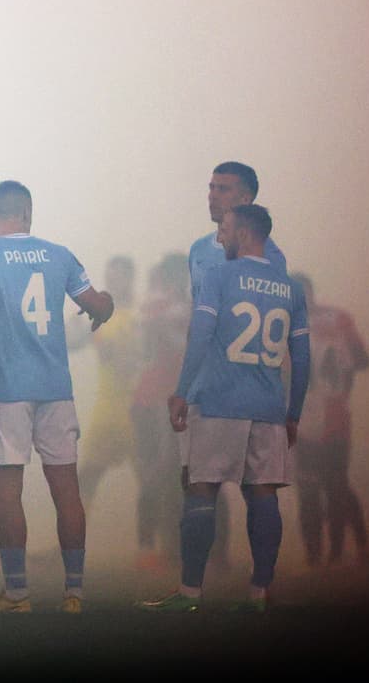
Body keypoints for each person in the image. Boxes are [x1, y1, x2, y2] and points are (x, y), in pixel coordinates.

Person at [136, 205, 309, 613]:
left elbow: (200, 337)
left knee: (201, 491)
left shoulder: (219, 275)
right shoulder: (290, 288)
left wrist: (181, 392)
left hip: (217, 399)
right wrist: (294, 411)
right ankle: (260, 592)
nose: (222, 238)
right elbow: (301, 357)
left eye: (227, 231)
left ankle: (190, 593)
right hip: (268, 406)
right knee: (263, 493)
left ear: (245, 233)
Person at [0, 180, 114, 614]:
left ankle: (17, 594)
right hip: (56, 388)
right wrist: (108, 303)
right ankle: (74, 593)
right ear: (29, 213)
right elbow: (96, 305)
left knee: (8, 491)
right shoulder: (59, 254)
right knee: (66, 488)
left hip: (9, 388)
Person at [185, 162, 287, 567]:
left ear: (246, 199)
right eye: (210, 186)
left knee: (248, 487)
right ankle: (203, 582)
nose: (212, 195)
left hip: (239, 387)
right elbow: (198, 319)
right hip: (207, 385)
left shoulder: (271, 256)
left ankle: (242, 588)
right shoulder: (197, 249)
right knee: (196, 480)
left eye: (224, 189)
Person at [291, 272, 369, 567]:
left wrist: (338, 374)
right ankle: (316, 557)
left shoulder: (337, 319)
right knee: (313, 487)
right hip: (304, 419)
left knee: (334, 484)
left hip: (332, 415)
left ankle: (342, 551)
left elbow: (362, 360)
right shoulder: (282, 325)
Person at [128, 253, 189, 573]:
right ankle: (148, 547)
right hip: (152, 400)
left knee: (179, 476)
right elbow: (147, 348)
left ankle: (168, 547)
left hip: (177, 398)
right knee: (156, 472)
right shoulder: (160, 305)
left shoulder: (189, 306)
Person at [66, 255, 141, 503]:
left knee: (153, 478)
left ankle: (165, 540)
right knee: (88, 476)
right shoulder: (99, 316)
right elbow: (73, 342)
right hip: (108, 409)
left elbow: (142, 358)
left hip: (140, 409)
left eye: (118, 277)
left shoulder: (140, 317)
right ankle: (75, 536)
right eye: (109, 276)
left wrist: (123, 356)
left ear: (130, 280)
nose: (112, 282)